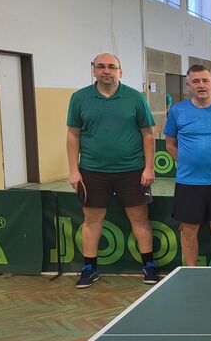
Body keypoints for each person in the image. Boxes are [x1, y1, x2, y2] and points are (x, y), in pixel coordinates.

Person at [66, 53, 158, 288]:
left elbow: (148, 134)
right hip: (92, 171)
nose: (106, 71)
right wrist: (74, 170)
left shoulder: (135, 98)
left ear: (120, 72)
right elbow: (73, 135)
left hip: (132, 170)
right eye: (101, 67)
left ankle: (148, 265)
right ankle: (89, 268)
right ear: (94, 70)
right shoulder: (79, 98)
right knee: (92, 220)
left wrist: (149, 167)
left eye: (111, 67)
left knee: (140, 219)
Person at [164, 65, 211, 266]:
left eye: (205, 80)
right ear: (189, 85)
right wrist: (187, 162)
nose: (201, 85)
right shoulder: (177, 111)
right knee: (189, 230)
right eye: (196, 81)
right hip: (188, 182)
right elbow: (169, 144)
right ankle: (192, 272)